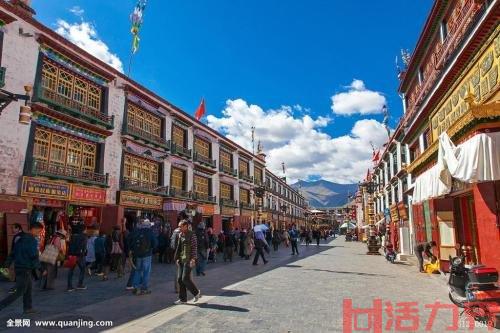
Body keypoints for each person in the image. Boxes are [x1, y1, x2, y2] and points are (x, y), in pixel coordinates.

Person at [0, 223, 42, 314]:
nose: (38, 234)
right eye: (38, 232)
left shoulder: (19, 239)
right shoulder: (32, 240)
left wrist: (6, 265)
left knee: (28, 288)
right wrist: (40, 268)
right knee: (19, 291)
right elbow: (33, 256)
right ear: (34, 229)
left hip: (19, 267)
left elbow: (12, 253)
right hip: (25, 268)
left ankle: (28, 308)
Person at [173, 220, 201, 305]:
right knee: (179, 279)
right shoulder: (180, 234)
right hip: (182, 259)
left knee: (185, 278)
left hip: (189, 259)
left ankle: (196, 293)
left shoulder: (192, 235)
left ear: (186, 226)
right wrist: (177, 258)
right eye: (179, 226)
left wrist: (193, 259)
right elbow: (179, 247)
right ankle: (183, 299)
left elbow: (194, 248)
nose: (179, 228)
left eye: (180, 226)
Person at [129, 218, 157, 295]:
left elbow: (132, 242)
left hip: (138, 254)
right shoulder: (150, 232)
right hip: (147, 254)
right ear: (148, 226)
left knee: (138, 270)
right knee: (146, 272)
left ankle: (136, 287)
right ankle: (144, 288)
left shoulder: (138, 231)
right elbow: (155, 243)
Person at [67, 223, 88, 291]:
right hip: (79, 255)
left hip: (72, 255)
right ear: (84, 229)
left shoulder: (73, 236)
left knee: (71, 271)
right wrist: (84, 253)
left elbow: (69, 245)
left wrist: (69, 254)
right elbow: (83, 247)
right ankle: (80, 284)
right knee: (82, 269)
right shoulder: (84, 236)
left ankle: (69, 286)